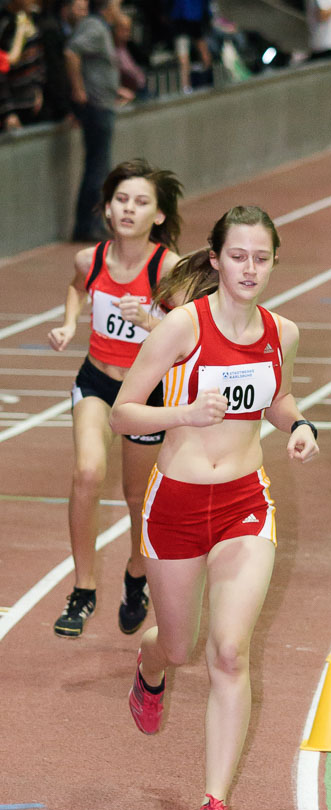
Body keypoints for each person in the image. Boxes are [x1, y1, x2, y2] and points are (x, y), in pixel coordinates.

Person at [110, 205, 319, 810]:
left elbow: (276, 397)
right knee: (179, 647)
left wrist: (300, 425)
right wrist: (183, 415)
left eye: (261, 258)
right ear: (216, 259)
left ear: (273, 263)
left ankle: (215, 804)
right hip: (174, 504)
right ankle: (149, 669)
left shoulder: (282, 332)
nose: (249, 269)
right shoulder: (182, 327)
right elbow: (122, 412)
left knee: (229, 651)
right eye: (238, 256)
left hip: (243, 507)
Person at [48, 158, 183, 635]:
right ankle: (83, 591)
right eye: (121, 199)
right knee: (87, 471)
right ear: (108, 208)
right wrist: (69, 323)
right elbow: (75, 288)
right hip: (97, 381)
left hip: (144, 393)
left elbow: (192, 330)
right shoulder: (91, 260)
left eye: (141, 201)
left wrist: (152, 322)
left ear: (159, 215)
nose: (129, 208)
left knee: (135, 497)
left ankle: (135, 575)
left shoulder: (167, 267)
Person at [65, 0, 132, 243]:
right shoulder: (95, 27)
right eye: (116, 5)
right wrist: (79, 89)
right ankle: (87, 224)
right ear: (106, 7)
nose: (119, 11)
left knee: (99, 166)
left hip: (102, 103)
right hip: (96, 107)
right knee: (97, 167)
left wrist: (114, 88)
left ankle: (91, 223)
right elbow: (71, 52)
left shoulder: (97, 27)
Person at [38, 0, 88, 124]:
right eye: (80, 9)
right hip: (52, 106)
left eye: (86, 10)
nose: (84, 14)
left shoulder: (71, 32)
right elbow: (55, 72)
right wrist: (64, 109)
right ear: (65, 9)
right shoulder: (52, 30)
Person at [0, 0, 45, 132]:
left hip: (32, 103)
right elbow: (6, 64)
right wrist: (7, 111)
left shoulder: (30, 20)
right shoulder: (5, 25)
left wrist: (38, 88)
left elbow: (37, 58)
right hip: (11, 108)